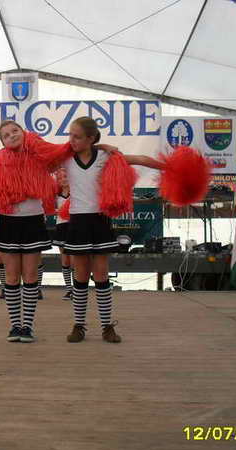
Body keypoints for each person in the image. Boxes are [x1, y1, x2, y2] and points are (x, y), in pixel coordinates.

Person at [62, 116, 163, 343]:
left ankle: (107, 326)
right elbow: (37, 159)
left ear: (91, 138)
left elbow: (139, 159)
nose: (72, 140)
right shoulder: (66, 158)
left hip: (100, 220)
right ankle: (78, 325)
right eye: (70, 135)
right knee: (80, 276)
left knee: (101, 274)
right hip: (77, 221)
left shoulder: (105, 157)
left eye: (77, 137)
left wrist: (170, 167)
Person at [0, 120, 72, 343]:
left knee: (31, 275)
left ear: (24, 132)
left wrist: (101, 147)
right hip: (8, 222)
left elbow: (65, 153)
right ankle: (15, 325)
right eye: (6, 135)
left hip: (33, 221)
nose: (12, 136)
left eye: (15, 131)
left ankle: (28, 326)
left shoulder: (39, 156)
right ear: (2, 143)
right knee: (12, 276)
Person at [52, 168, 73, 300]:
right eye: (60, 178)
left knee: (75, 259)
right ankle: (69, 289)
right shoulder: (56, 194)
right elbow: (49, 207)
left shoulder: (76, 192)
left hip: (74, 226)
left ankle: (78, 288)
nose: (63, 180)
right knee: (65, 260)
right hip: (61, 227)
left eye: (65, 177)